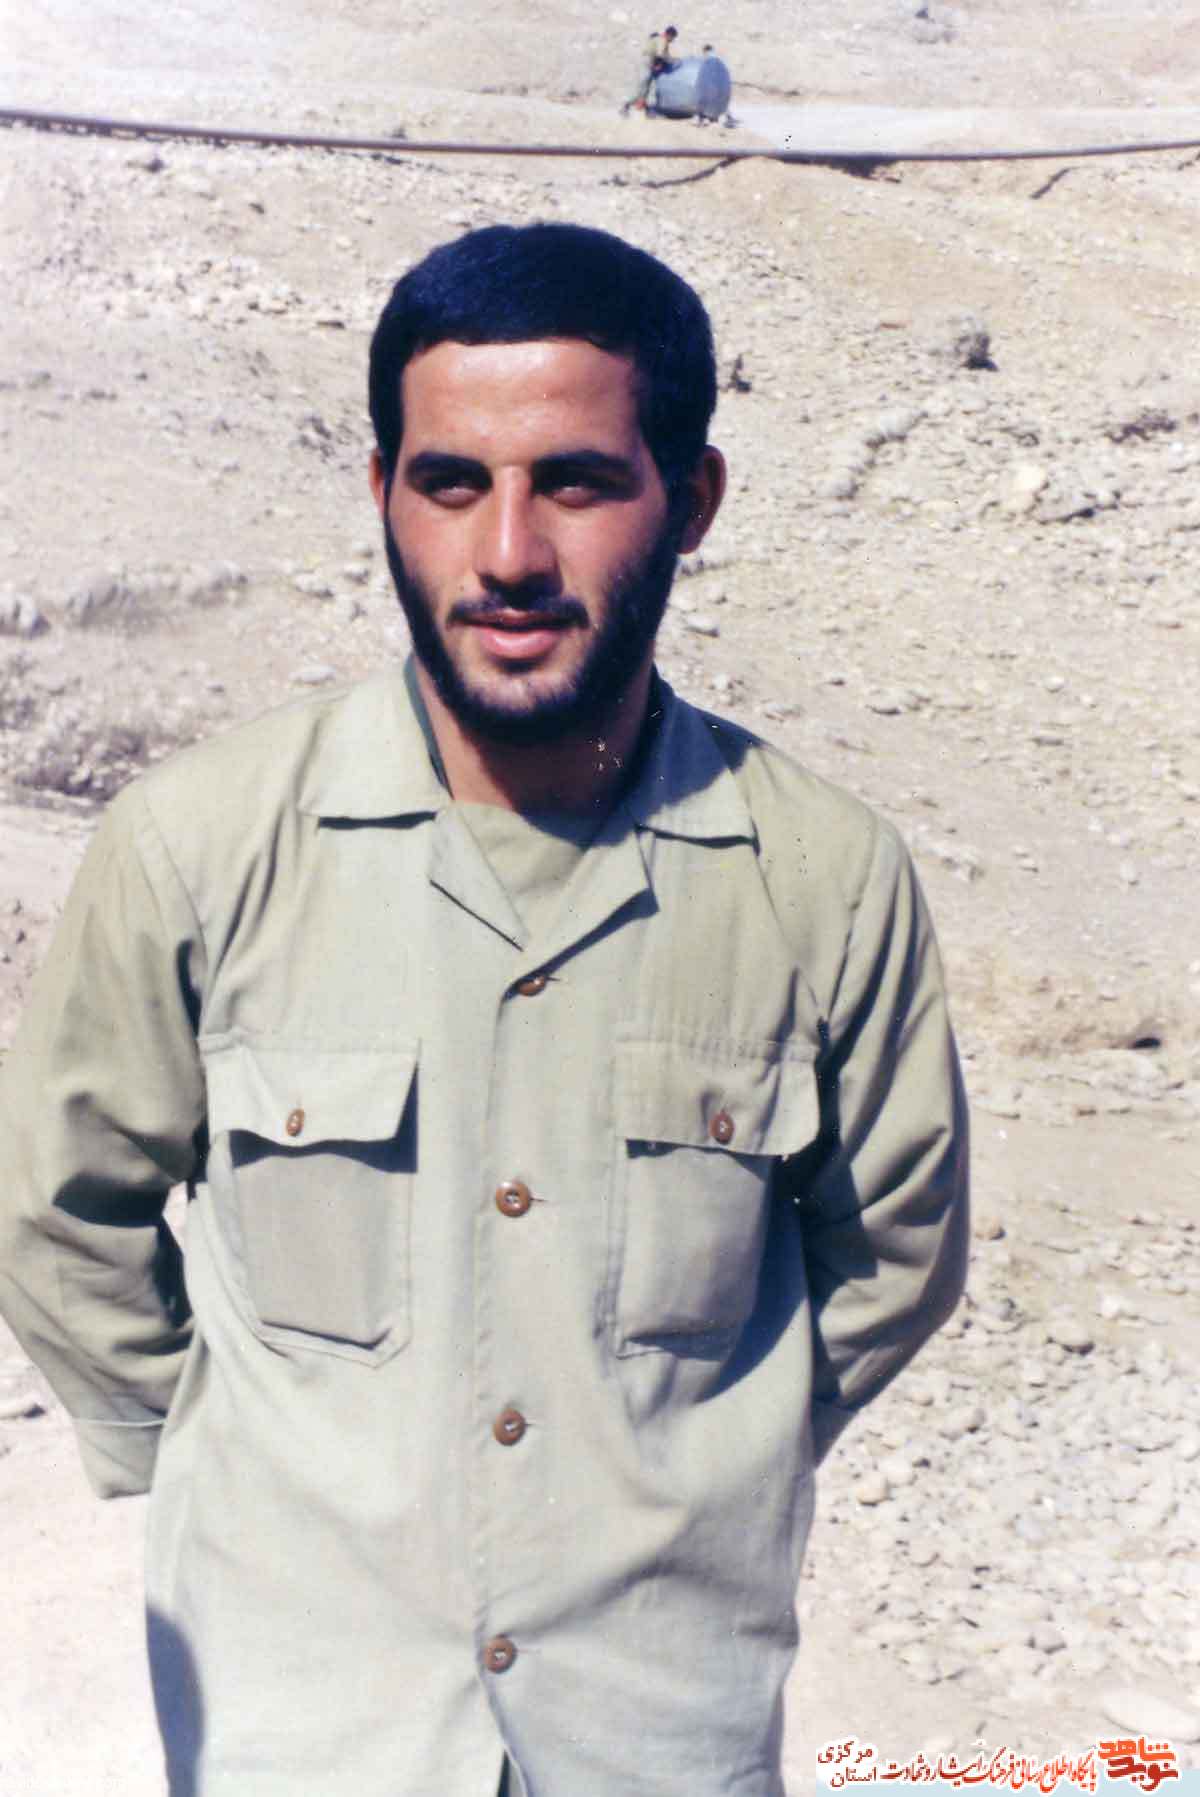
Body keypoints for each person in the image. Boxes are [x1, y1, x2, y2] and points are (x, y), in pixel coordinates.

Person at [0, 222, 969, 1797]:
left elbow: (891, 1256)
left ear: (692, 501)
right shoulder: (199, 849)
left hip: (656, 1731)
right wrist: (239, 1469)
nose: (508, 552)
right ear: (383, 491)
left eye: (575, 483)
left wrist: (685, 1472)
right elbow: (62, 1211)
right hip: (297, 1731)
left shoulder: (824, 881)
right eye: (451, 482)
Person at [621, 22, 678, 113]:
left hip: (647, 62)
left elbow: (663, 55)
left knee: (647, 86)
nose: (672, 40)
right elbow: (661, 54)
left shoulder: (659, 39)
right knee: (643, 86)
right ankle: (627, 105)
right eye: (672, 38)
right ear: (669, 35)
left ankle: (645, 108)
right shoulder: (662, 40)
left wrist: (669, 60)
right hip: (646, 63)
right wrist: (669, 62)